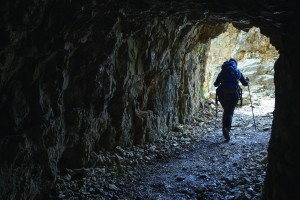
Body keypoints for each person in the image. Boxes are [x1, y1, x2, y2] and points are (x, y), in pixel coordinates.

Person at [214, 58, 249, 141]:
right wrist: (247, 80)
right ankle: (227, 129)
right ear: (235, 64)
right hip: (234, 94)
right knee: (230, 112)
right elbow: (245, 83)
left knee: (226, 111)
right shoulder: (237, 72)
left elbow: (215, 84)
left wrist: (220, 82)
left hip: (223, 94)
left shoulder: (222, 72)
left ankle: (224, 129)